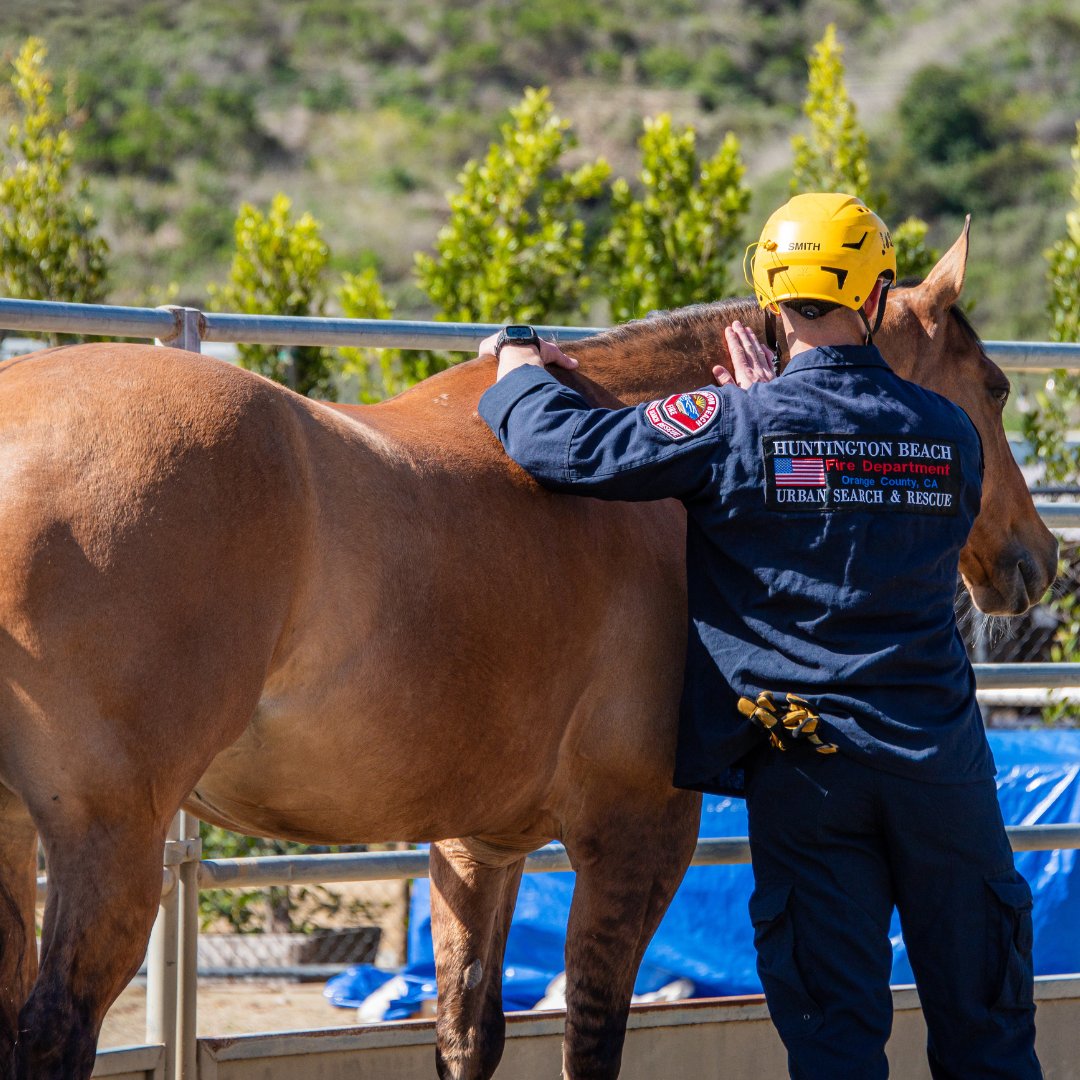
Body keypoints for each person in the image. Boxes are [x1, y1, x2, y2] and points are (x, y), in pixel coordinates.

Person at [474, 192, 1041, 1079]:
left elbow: (564, 448)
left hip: (807, 773)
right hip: (942, 770)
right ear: (879, 293)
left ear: (768, 296)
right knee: (989, 1034)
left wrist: (513, 363)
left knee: (834, 1042)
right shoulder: (953, 435)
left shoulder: (735, 422)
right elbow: (857, 483)